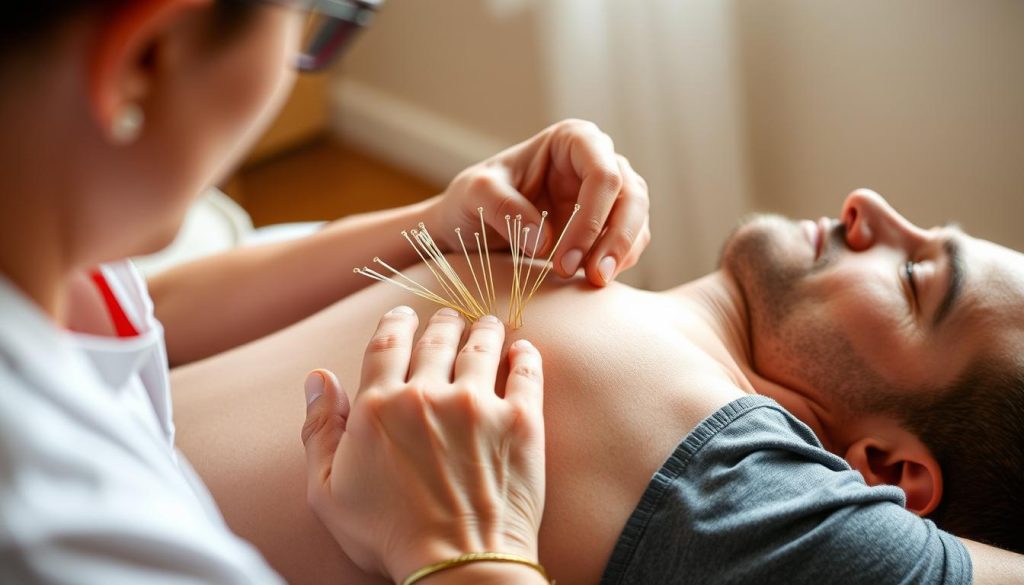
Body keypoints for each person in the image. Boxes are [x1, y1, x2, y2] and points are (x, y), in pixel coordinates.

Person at [0, 0, 647, 582]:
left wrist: (436, 221)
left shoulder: (37, 235)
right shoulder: (65, 536)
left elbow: (151, 310)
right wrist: (469, 550)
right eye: (315, 17)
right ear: (147, 54)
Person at [169, 189, 1024, 584]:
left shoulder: (753, 493)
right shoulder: (552, 252)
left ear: (888, 469)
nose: (867, 209)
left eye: (915, 277)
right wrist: (441, 217)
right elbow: (133, 325)